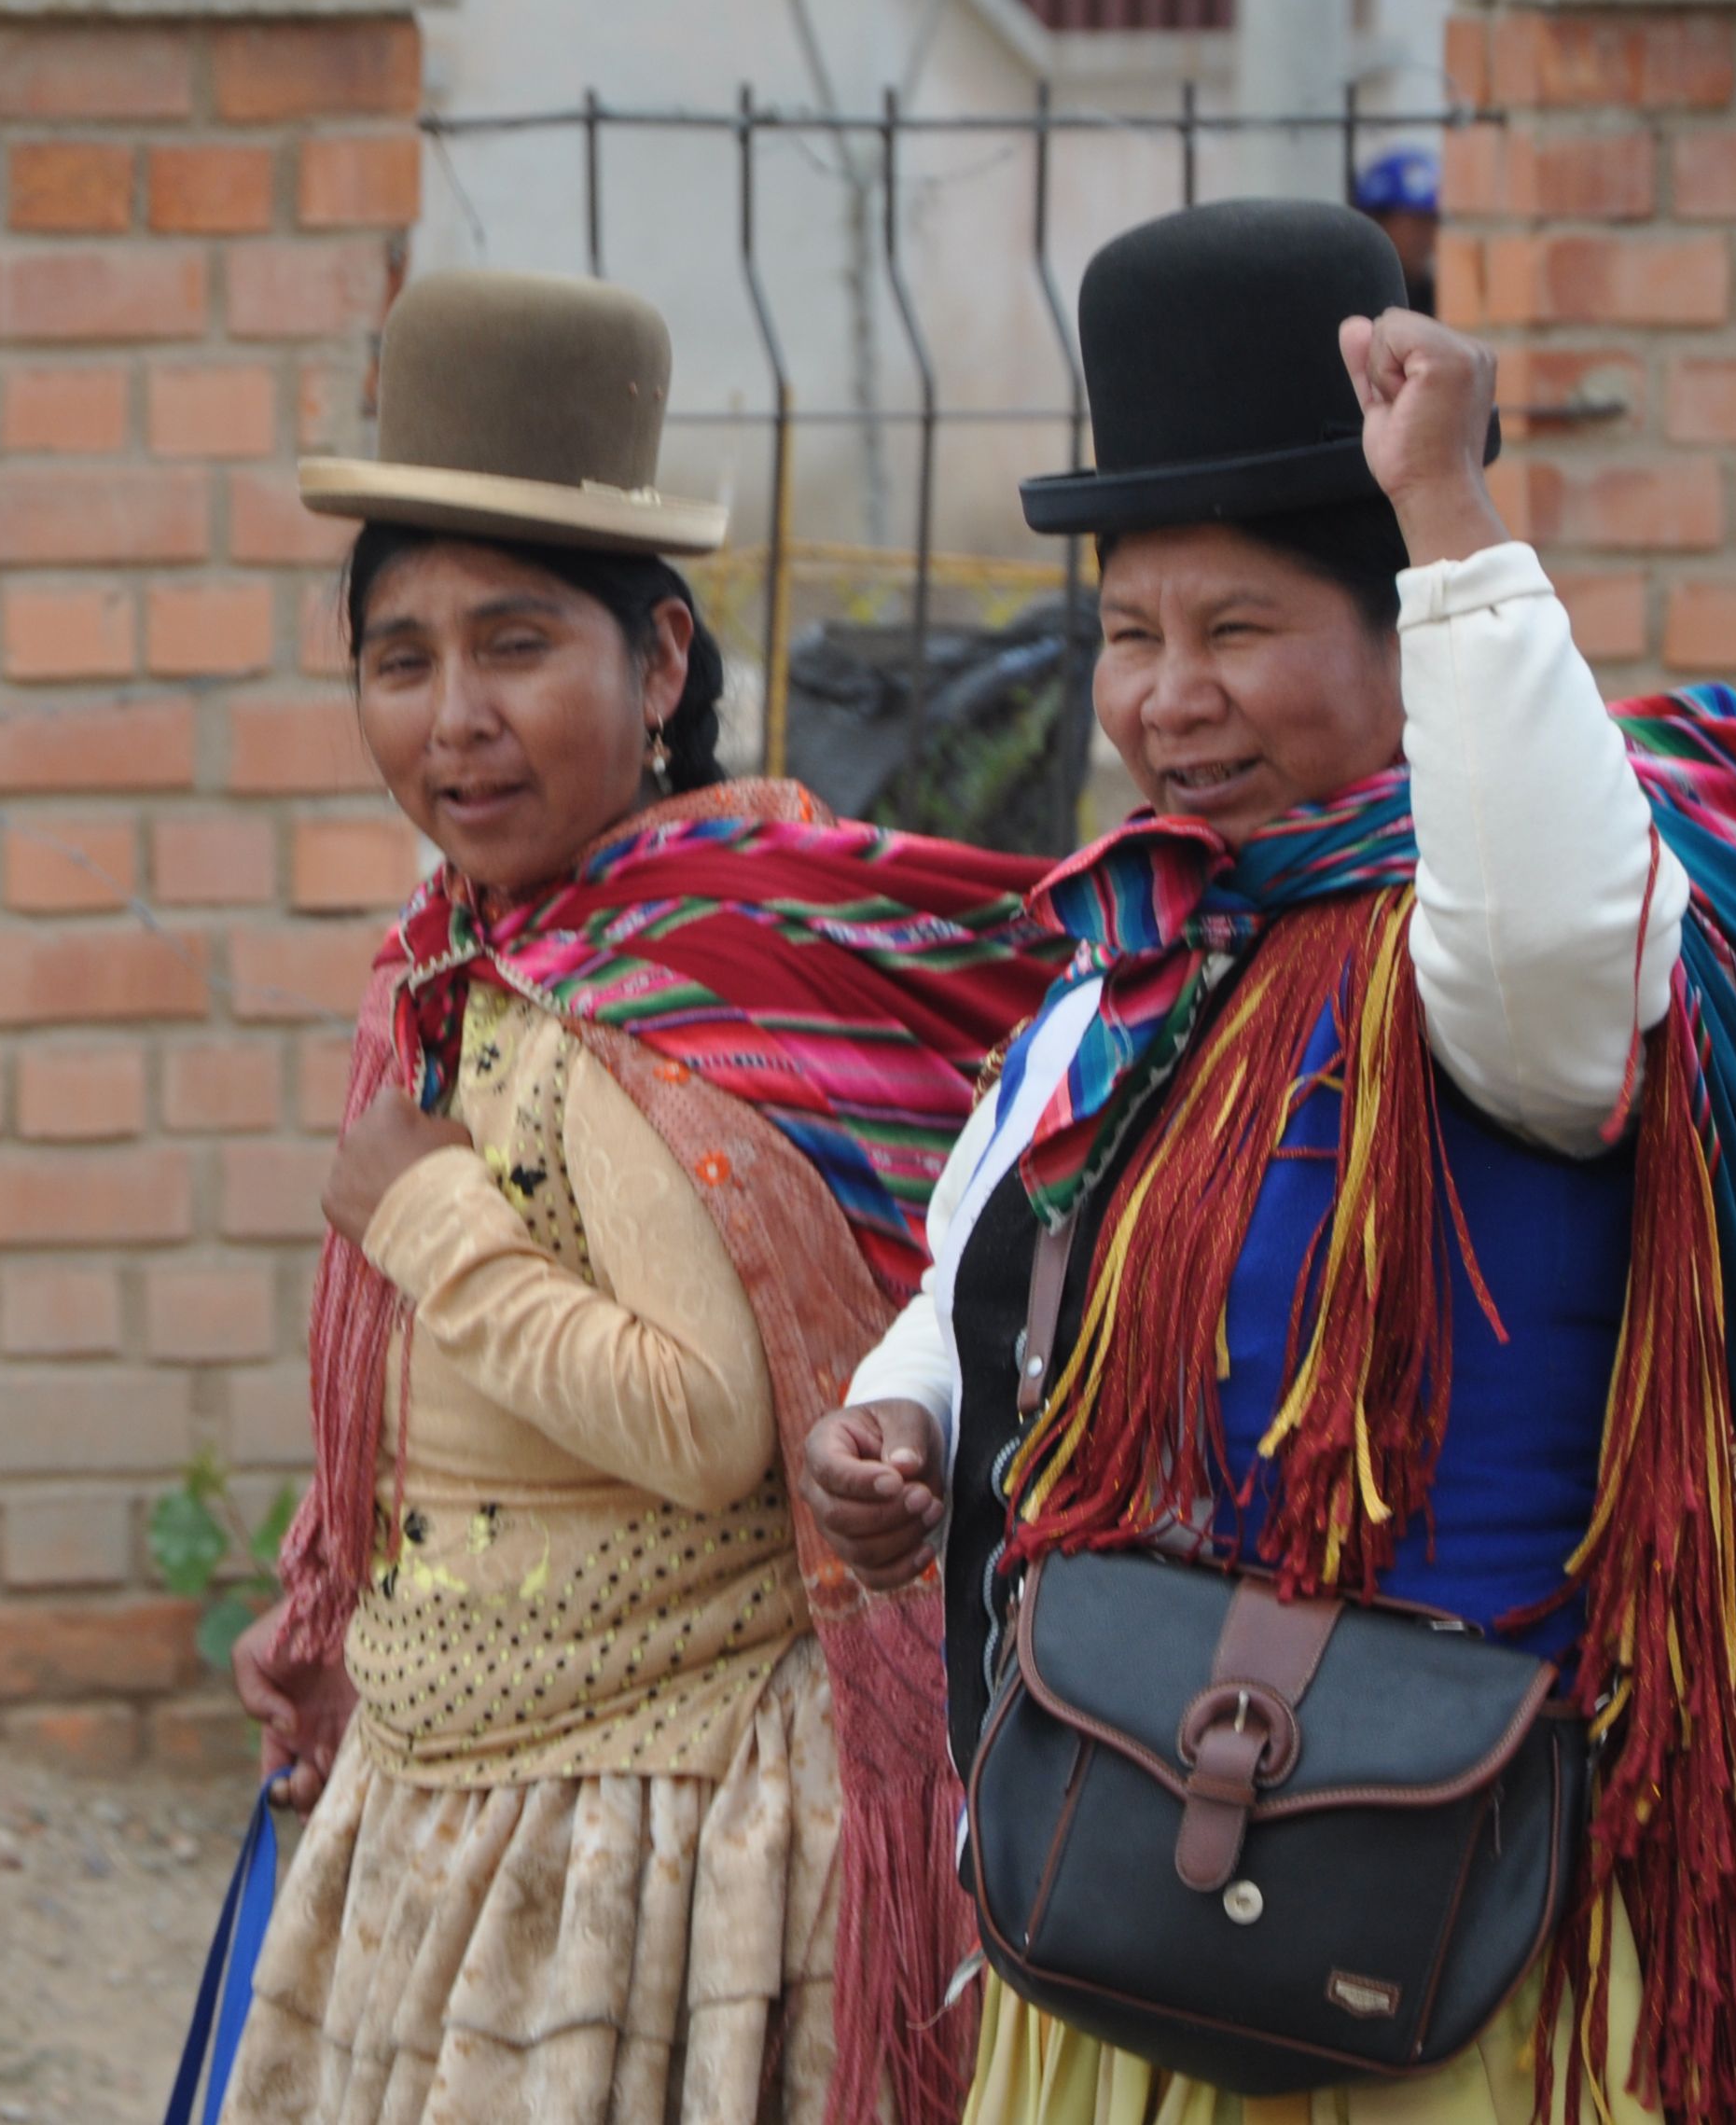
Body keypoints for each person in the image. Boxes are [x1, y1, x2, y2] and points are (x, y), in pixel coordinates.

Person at [809, 199, 1736, 2125]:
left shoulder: (1482, 970)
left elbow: (1559, 945)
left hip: (1484, 1894)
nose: (1169, 696)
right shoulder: (1137, 970)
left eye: (1241, 629)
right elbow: (993, 1267)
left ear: (1406, 641)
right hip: (1141, 1868)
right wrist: (905, 1413)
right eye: (1128, 635)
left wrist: (1450, 521)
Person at [219, 270, 1068, 2125]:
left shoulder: (666, 986)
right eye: (400, 658)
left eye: (517, 646)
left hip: (637, 1827)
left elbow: (705, 1423)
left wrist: (430, 1218)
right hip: (466, 1782)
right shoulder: (469, 959)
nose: (455, 719)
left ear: (663, 662)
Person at [1353, 146, 1437, 314]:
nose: (1428, 237)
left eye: (1433, 222)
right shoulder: (1355, 294)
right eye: (1418, 222)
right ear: (1378, 221)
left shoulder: (1433, 295)